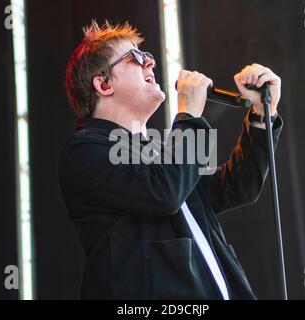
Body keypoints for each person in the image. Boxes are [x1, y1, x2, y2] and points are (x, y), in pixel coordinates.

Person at [59, 21, 283, 299]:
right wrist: (188, 115)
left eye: (148, 55)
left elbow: (236, 187)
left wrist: (263, 116)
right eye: (136, 57)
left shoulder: (161, 152)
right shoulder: (84, 152)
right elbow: (163, 192)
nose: (150, 62)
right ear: (104, 84)